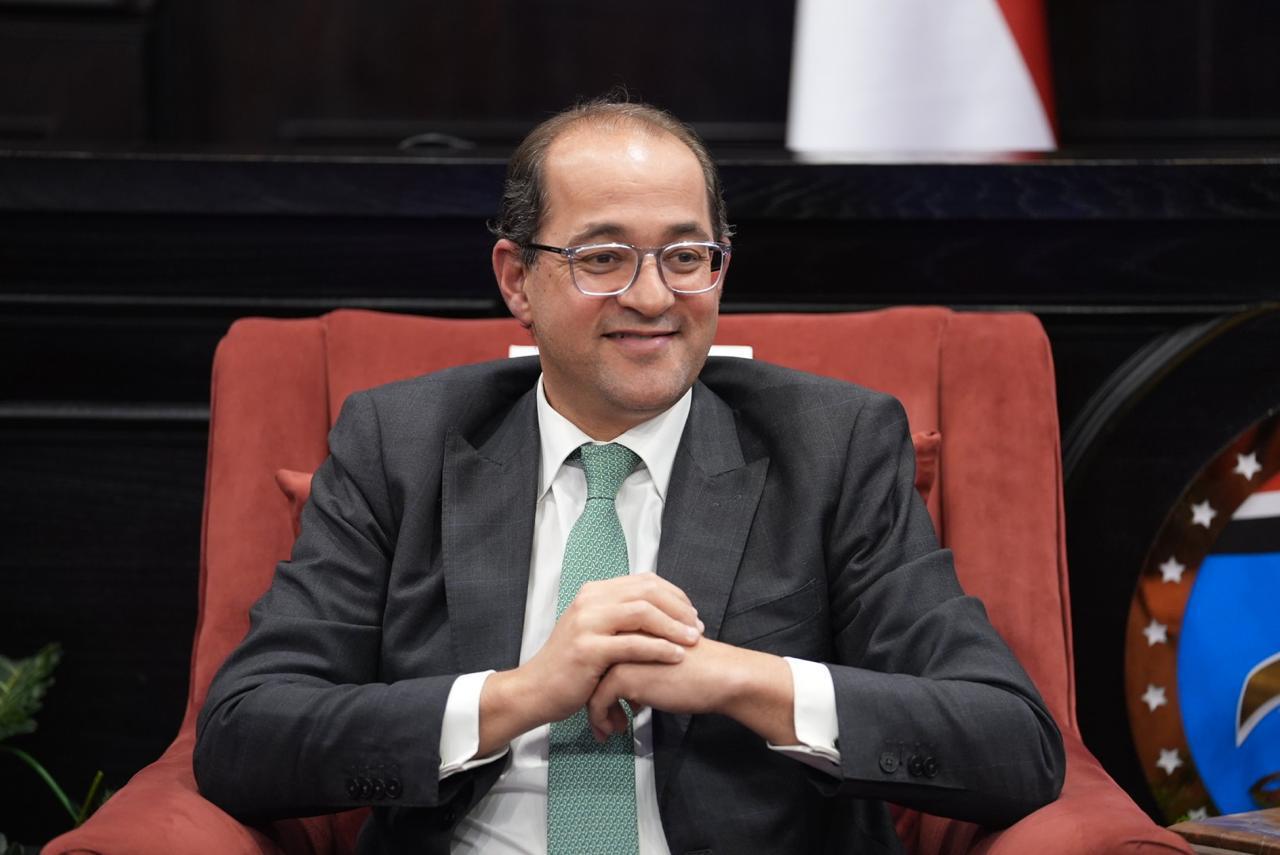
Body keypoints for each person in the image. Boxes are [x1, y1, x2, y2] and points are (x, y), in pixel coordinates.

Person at [194, 98, 1065, 854]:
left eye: (685, 256)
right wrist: (521, 695)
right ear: (518, 279)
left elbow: (1011, 743)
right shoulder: (401, 443)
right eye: (604, 257)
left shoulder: (832, 446)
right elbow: (244, 735)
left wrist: (741, 679)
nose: (652, 297)